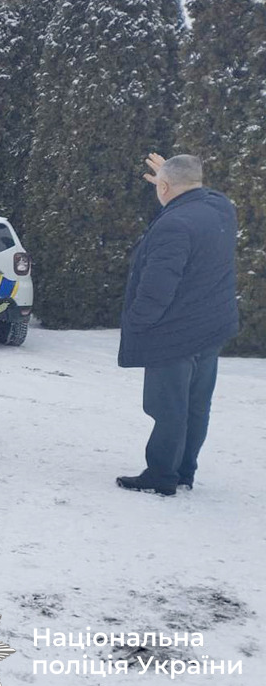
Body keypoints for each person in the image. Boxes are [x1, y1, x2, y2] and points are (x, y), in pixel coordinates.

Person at [116, 153, 239, 497]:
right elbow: (198, 190)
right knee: (196, 406)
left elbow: (157, 288)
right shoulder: (221, 208)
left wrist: (136, 322)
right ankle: (184, 470)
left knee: (168, 407)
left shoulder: (174, 224)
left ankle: (161, 475)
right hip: (210, 329)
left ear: (166, 187)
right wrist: (170, 177)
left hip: (173, 333)